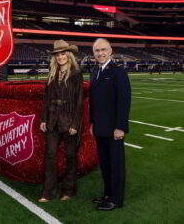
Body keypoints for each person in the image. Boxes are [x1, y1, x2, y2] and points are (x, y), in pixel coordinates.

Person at [38, 39, 84, 202]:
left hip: (69, 121)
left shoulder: (76, 74)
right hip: (51, 121)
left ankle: (69, 190)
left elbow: (79, 101)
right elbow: (46, 98)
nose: (60, 57)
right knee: (50, 156)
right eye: (57, 55)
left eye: (63, 54)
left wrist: (75, 124)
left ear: (69, 56)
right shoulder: (52, 73)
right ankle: (48, 192)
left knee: (71, 156)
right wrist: (44, 119)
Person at [89, 38, 131, 211]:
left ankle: (116, 199)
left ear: (111, 50)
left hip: (114, 128)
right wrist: (92, 123)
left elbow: (124, 101)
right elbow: (94, 102)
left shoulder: (118, 72)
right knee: (105, 164)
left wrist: (120, 126)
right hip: (99, 127)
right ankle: (107, 194)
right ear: (93, 53)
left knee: (116, 165)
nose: (100, 53)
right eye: (97, 50)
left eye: (103, 50)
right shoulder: (94, 72)